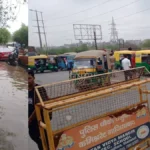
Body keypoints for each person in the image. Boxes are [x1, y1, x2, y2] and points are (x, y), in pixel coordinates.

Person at [28, 69, 51, 150]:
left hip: (40, 121)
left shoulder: (39, 89)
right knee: (35, 138)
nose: (27, 81)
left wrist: (30, 119)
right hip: (31, 123)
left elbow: (42, 104)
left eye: (29, 78)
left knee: (45, 142)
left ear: (34, 78)